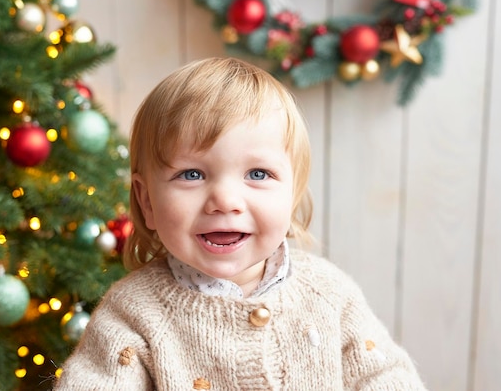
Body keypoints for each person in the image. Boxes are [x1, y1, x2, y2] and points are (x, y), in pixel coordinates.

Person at [53, 57, 427, 390]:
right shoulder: (133, 313)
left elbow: (386, 375)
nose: (226, 202)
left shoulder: (329, 295)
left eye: (259, 174)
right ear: (147, 201)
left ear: (292, 195)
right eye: (193, 174)